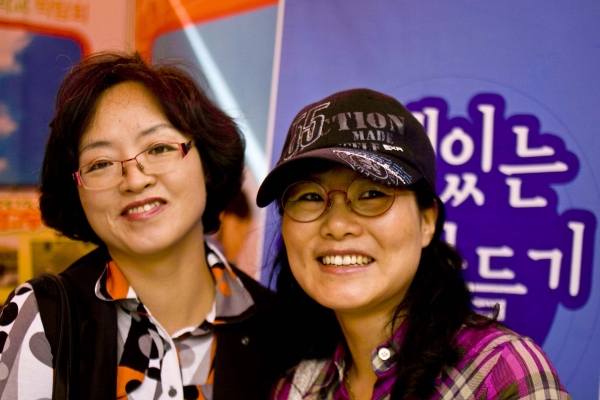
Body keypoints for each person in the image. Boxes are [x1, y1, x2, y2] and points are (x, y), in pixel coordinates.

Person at [0, 52, 283, 399]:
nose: (134, 180)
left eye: (159, 148)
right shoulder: (44, 318)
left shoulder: (282, 329)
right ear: (77, 193)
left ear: (207, 164)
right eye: (101, 164)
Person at [256, 88, 571, 399]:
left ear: (427, 221)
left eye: (372, 194)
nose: (337, 226)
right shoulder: (297, 389)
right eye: (310, 197)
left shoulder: (499, 373)